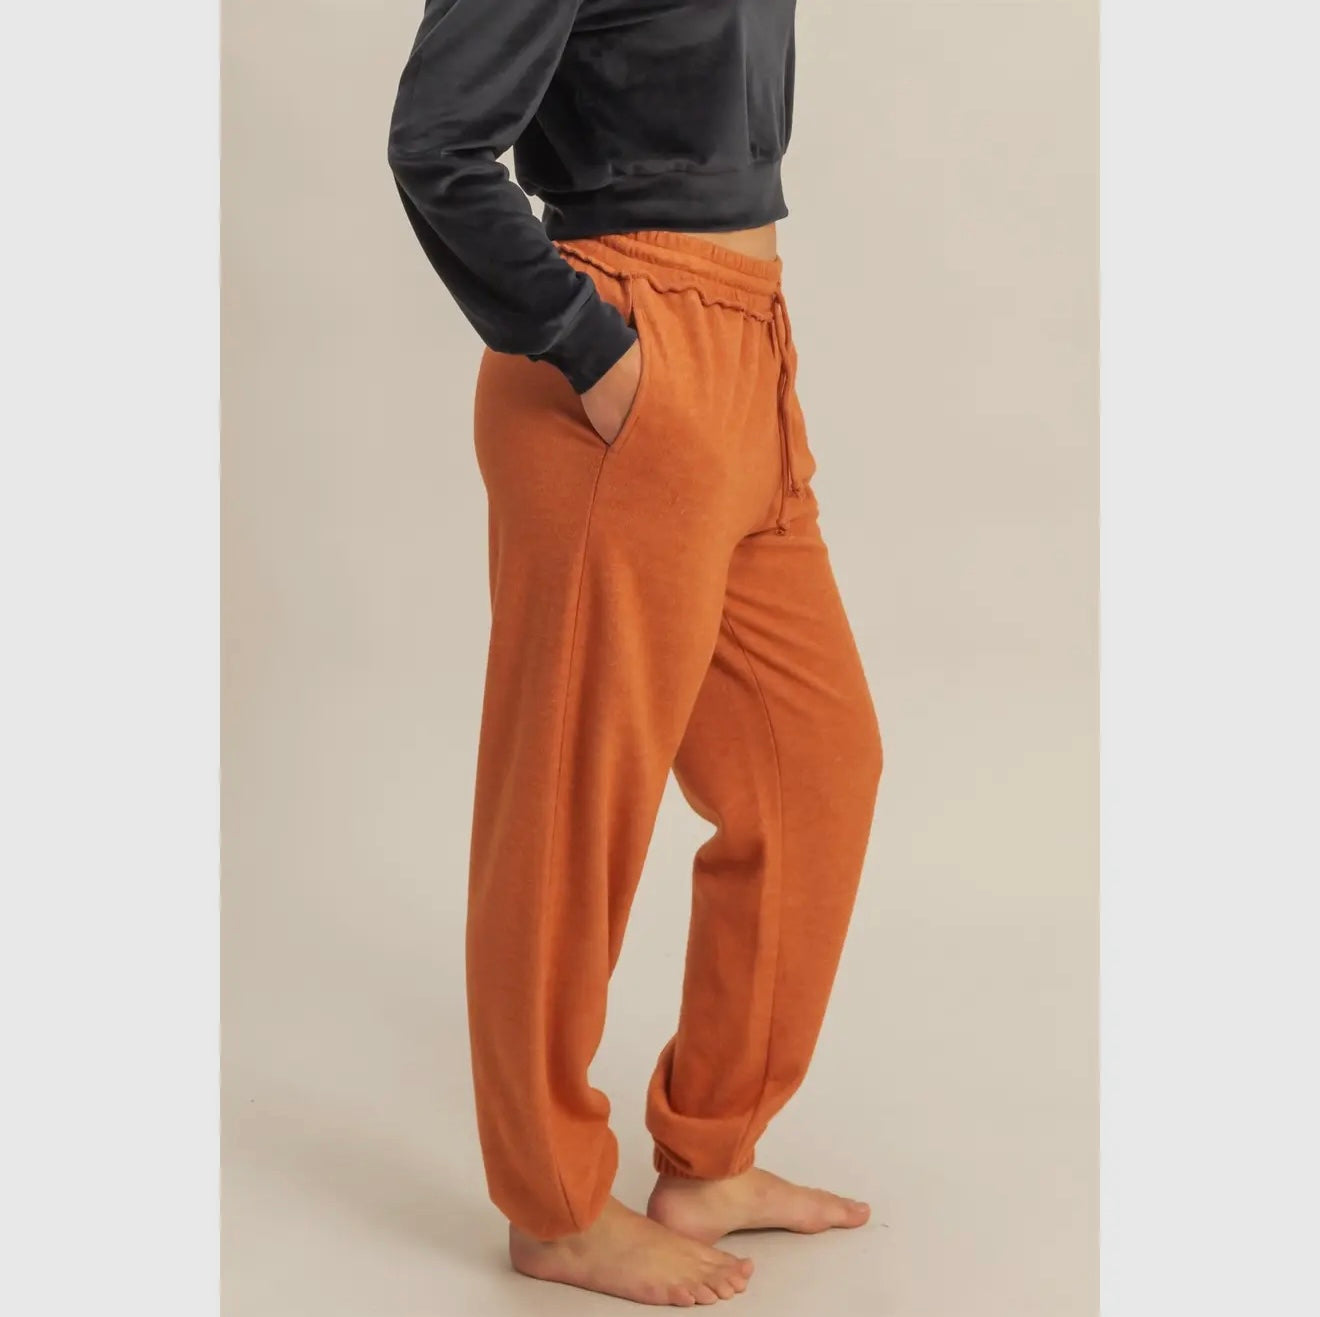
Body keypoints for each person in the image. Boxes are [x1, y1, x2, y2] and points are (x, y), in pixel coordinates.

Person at [387, 0, 883, 1305]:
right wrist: (595, 354)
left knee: (815, 768)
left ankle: (710, 1156)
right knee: (572, 815)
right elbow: (436, 144)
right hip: (623, 349)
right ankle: (553, 1208)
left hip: (750, 339)